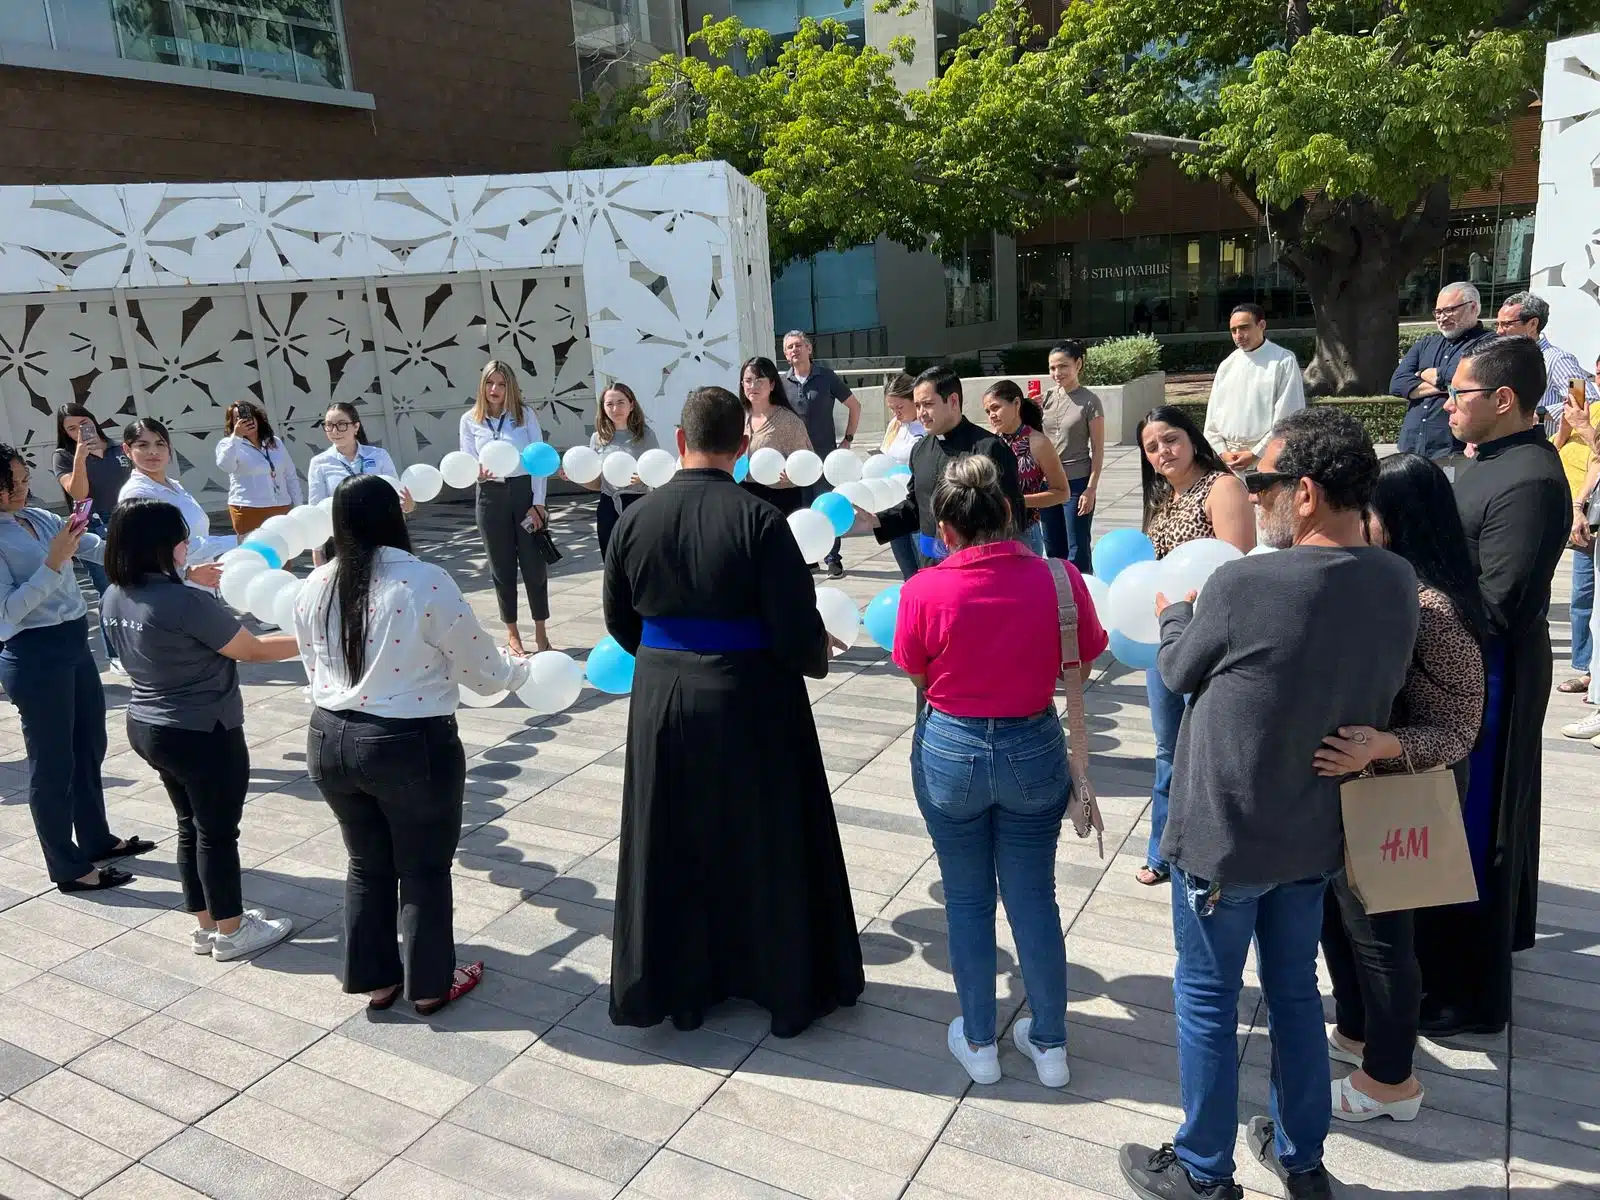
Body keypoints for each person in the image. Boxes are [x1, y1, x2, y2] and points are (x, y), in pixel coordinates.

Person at [1118, 407, 1418, 1200]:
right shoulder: (1397, 580)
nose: (1255, 495)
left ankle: (1202, 1168)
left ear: (1308, 493)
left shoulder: (1247, 581)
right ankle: (1301, 1156)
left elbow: (1179, 670)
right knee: (1293, 994)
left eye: (1266, 482)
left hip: (1227, 832)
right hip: (1315, 827)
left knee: (1209, 1000)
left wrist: (1174, 612)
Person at [603, 385, 864, 1038]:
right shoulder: (761, 521)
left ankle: (684, 992)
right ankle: (779, 987)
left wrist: (670, 657)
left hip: (662, 697)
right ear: (742, 448)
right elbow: (794, 626)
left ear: (681, 442)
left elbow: (619, 621)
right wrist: (813, 649)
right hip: (753, 696)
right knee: (765, 839)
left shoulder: (635, 519)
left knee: (676, 841)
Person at [893, 454, 1107, 1088]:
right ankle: (1050, 1045)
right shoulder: (1062, 579)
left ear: (946, 529)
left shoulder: (923, 588)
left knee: (966, 899)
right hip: (1034, 745)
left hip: (951, 747)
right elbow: (1083, 665)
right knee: (1033, 897)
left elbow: (917, 671)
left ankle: (980, 1043)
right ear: (1011, 513)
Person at [294, 474, 530, 1015]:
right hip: (406, 741)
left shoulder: (316, 583)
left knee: (365, 862)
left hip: (328, 736)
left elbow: (312, 665)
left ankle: (376, 982)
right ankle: (428, 985)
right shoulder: (423, 581)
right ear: (393, 518)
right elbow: (485, 673)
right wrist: (521, 673)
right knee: (423, 866)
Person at [1313, 454, 1487, 1123]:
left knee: (1385, 939)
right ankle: (1357, 1032)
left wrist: (1382, 745)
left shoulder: (1434, 609)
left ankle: (1393, 1081)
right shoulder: (1387, 587)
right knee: (1342, 917)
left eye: (1365, 510)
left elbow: (1458, 729)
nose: (1355, 522)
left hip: (1398, 789)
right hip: (1356, 783)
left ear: (1400, 519)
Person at [1430, 335, 1569, 1036]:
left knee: (1480, 827)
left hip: (1492, 671)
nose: (1447, 404)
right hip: (1461, 662)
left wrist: (1418, 596)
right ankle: (1453, 959)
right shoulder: (1489, 459)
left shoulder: (1531, 482)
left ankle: (1472, 994)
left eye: (1459, 394)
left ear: (1503, 400)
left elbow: (1499, 600)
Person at [102, 499, 301, 961]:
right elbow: (250, 650)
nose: (187, 548)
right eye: (182, 541)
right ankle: (232, 932)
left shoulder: (115, 592)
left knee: (191, 827)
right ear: (164, 547)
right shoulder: (185, 601)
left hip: (149, 724)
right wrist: (319, 636)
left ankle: (205, 926)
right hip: (201, 731)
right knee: (216, 833)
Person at [0, 444, 153, 894]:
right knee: (53, 764)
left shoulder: (41, 518)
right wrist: (53, 563)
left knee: (89, 746)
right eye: (13, 484)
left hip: (73, 643)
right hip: (33, 654)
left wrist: (147, 555)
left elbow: (92, 547)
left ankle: (96, 839)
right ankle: (67, 867)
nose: (24, 489)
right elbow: (8, 613)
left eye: (25, 479)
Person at [1133, 406, 1255, 888]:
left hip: (1209, 644)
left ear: (1192, 437)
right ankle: (1163, 849)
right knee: (1167, 750)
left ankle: (1203, 845)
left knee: (1204, 751)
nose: (1162, 451)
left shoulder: (1223, 487)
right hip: (1164, 638)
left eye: (1170, 439)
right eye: (1151, 447)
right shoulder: (1163, 495)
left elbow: (1236, 567)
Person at [859, 366, 1026, 570]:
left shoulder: (990, 449)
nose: (921, 414)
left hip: (977, 567)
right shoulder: (920, 449)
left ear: (953, 401)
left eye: (928, 404)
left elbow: (1011, 517)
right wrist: (877, 520)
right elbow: (916, 507)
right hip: (930, 567)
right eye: (918, 405)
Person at [459, 359, 551, 657]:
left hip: (523, 492)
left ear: (510, 386)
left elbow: (539, 462)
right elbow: (467, 462)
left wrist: (538, 504)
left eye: (501, 383)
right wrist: (477, 473)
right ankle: (512, 635)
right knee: (502, 567)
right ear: (482, 386)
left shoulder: (525, 416)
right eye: (489, 383)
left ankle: (541, 633)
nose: (494, 389)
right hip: (490, 496)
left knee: (533, 565)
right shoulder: (470, 420)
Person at [53, 403, 131, 668]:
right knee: (108, 588)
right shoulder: (63, 456)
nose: (79, 431)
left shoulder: (118, 448)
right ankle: (116, 653)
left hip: (129, 519)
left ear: (93, 420)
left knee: (139, 583)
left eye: (83, 423)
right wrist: (79, 458)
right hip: (95, 525)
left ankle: (142, 644)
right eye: (71, 428)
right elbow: (78, 493)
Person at [782, 331, 863, 577]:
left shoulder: (826, 377)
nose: (794, 350)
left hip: (824, 459)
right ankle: (809, 558)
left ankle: (833, 558)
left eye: (798, 345)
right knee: (802, 510)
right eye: (789, 348)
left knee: (827, 508)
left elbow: (854, 406)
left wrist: (847, 440)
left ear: (809, 348)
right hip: (796, 461)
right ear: (785, 355)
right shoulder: (782, 383)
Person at [1390, 282, 1495, 472]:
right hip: (1411, 447)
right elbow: (1397, 384)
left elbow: (1473, 380)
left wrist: (1422, 374)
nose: (1442, 318)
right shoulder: (1426, 344)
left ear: (1473, 307)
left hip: (1453, 451)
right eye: (1438, 312)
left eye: (1449, 310)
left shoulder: (1489, 343)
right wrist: (1449, 385)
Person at [117, 418, 227, 590]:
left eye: (160, 444)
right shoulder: (138, 494)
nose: (153, 451)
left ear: (169, 449)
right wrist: (236, 541)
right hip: (174, 590)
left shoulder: (174, 485)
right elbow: (158, 550)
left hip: (203, 584)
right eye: (143, 445)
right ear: (127, 450)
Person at [1202, 304, 1306, 472]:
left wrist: (1256, 453)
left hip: (1267, 461)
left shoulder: (1283, 361)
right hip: (1227, 463)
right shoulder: (1227, 365)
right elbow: (1212, 419)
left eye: (1244, 328)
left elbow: (1289, 417)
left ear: (1262, 325)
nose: (1238, 335)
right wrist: (1222, 452)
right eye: (1233, 330)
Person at [306, 402, 409, 565]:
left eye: (341, 425)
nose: (335, 431)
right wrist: (317, 551)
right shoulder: (320, 462)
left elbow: (395, 496)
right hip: (343, 539)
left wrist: (409, 507)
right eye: (329, 425)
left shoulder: (378, 455)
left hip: (381, 534)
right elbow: (316, 509)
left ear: (356, 427)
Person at [1549, 366, 1600, 696]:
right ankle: (1585, 668)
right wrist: (1568, 425)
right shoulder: (1591, 409)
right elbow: (1555, 447)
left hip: (1590, 508)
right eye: (1597, 374)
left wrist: (1579, 502)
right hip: (1574, 510)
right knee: (1582, 596)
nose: (1597, 382)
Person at [1494, 290, 1599, 437]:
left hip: (1543, 450)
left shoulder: (1559, 360)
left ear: (1533, 324)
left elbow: (1587, 399)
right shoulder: (1502, 359)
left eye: (1506, 324)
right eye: (1497, 324)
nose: (1499, 331)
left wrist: (1540, 414)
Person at [981, 380, 1069, 555]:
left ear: (1016, 403)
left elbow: (1062, 493)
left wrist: (1017, 502)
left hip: (1025, 533)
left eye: (996, 407)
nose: (992, 415)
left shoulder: (1037, 442)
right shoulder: (990, 442)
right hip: (992, 533)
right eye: (988, 411)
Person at [1038, 340, 1104, 572]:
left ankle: (1083, 594)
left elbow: (1098, 448)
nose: (1057, 373)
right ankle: (1059, 596)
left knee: (1077, 548)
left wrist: (1091, 488)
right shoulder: (1045, 398)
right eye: (1052, 368)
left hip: (1077, 483)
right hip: (1047, 483)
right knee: (1052, 546)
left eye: (1063, 366)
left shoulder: (1090, 401)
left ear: (1078, 364)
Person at [579, 383, 659, 555]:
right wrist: (577, 476)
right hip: (608, 505)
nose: (616, 408)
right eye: (609, 404)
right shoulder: (598, 438)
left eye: (621, 402)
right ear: (603, 408)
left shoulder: (646, 435)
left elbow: (657, 472)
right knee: (611, 558)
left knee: (639, 557)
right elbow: (597, 482)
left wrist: (644, 477)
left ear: (631, 405)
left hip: (638, 504)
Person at [215, 400, 303, 537]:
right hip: (249, 509)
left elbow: (290, 475)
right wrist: (237, 437)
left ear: (257, 418)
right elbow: (226, 466)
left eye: (249, 416)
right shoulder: (228, 444)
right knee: (256, 555)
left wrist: (298, 507)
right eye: (238, 418)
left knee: (284, 552)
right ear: (232, 423)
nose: (246, 421)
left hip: (280, 506)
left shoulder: (274, 442)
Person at [740, 355, 813, 517]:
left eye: (759, 380)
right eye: (748, 380)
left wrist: (794, 474)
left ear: (772, 384)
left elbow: (809, 463)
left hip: (780, 499)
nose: (753, 386)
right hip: (746, 497)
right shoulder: (738, 418)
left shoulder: (789, 421)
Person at [878, 372, 925, 580]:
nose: (896, 413)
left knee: (924, 569)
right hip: (893, 504)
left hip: (917, 507)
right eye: (891, 409)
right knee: (908, 571)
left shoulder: (927, 425)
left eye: (900, 407)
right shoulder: (895, 426)